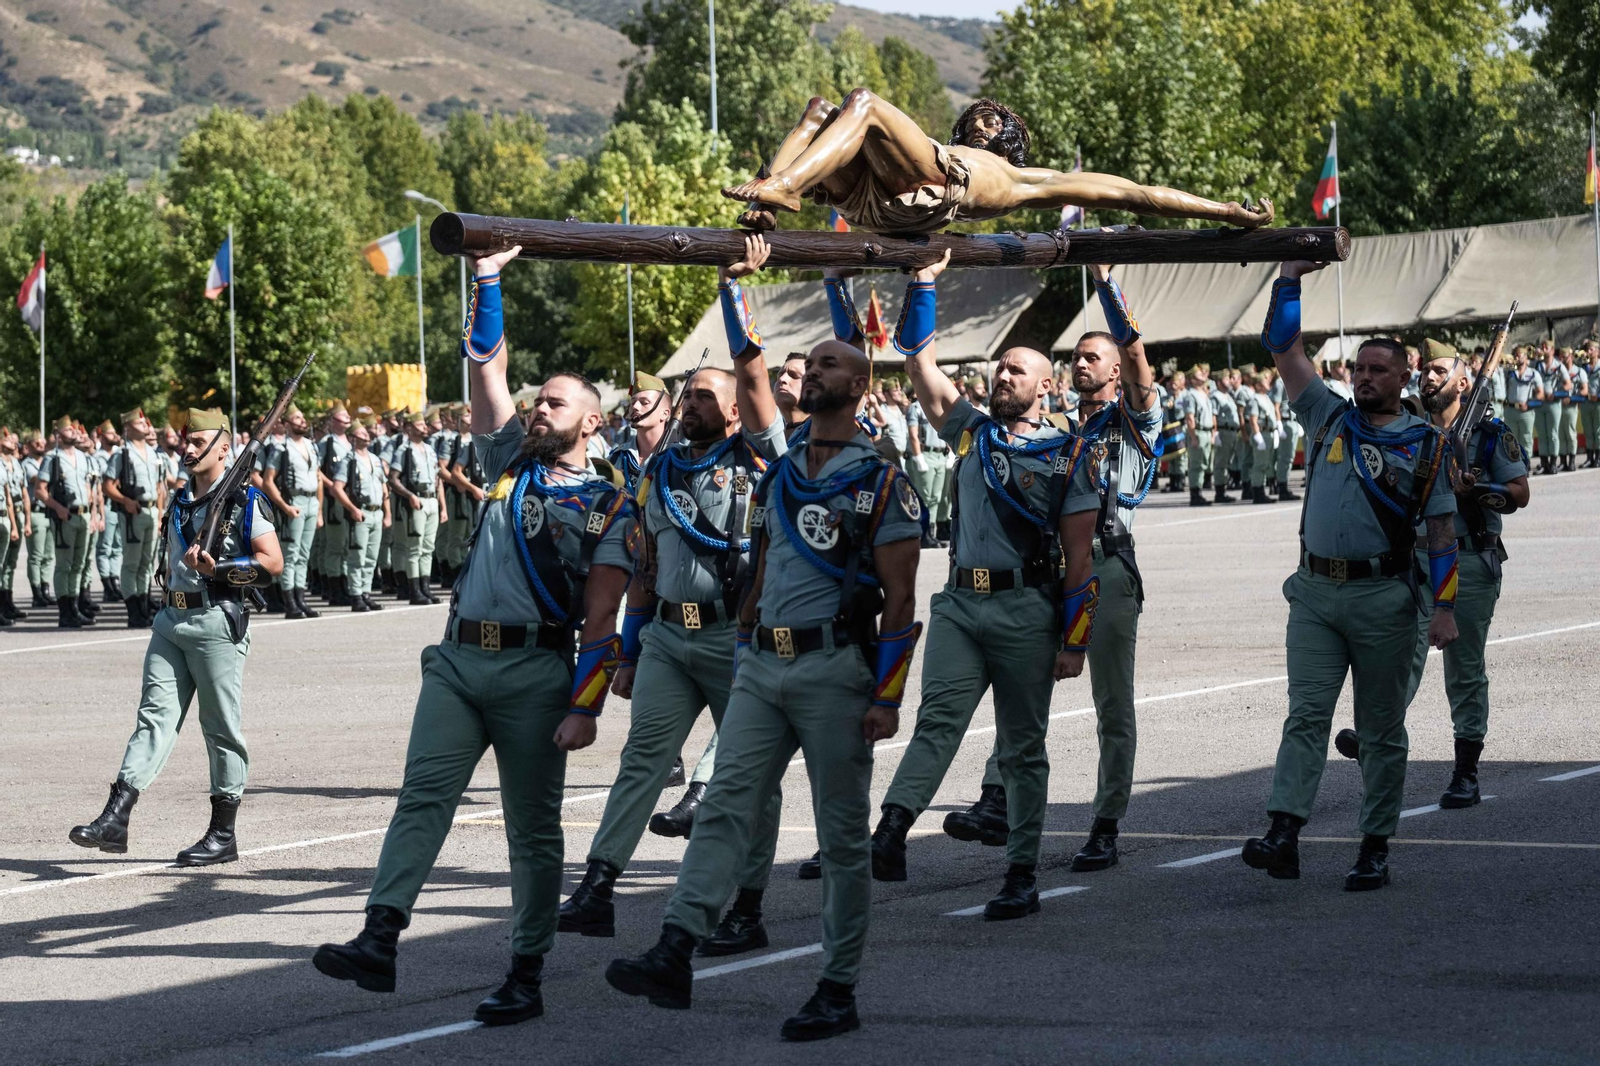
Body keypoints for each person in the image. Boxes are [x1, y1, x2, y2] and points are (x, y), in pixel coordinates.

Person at [313, 245, 635, 1028]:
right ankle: (380, 937)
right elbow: (485, 373)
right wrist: (487, 279)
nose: (539, 411)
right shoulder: (506, 461)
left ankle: (524, 972)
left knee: (531, 830)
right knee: (421, 798)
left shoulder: (607, 504)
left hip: (536, 671)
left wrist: (585, 707)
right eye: (539, 402)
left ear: (592, 421)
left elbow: (601, 620)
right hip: (459, 660)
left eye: (555, 404)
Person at [605, 334, 923, 1042]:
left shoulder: (879, 482)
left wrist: (886, 697)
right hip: (762, 668)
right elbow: (761, 568)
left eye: (829, 364)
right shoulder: (780, 475)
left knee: (842, 841)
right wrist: (747, 644)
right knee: (721, 808)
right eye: (808, 364)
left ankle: (837, 988)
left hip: (835, 670)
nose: (812, 372)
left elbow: (900, 600)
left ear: (861, 385)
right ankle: (677, 947)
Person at [562, 234, 789, 956]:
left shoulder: (758, 456)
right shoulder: (659, 471)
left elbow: (754, 378)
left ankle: (747, 906)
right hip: (667, 637)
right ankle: (598, 885)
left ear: (732, 411)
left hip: (735, 640)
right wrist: (628, 651)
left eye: (701, 396)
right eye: (685, 394)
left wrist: (734, 293)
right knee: (640, 762)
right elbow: (646, 567)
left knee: (748, 780)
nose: (688, 403)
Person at [862, 247, 1098, 920]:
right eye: (1000, 366)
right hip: (963, 601)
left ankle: (1021, 873)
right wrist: (925, 284)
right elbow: (920, 366)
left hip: (1029, 607)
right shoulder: (970, 432)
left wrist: (1074, 642)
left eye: (1017, 370)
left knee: (1022, 748)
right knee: (936, 721)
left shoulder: (1068, 453)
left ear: (1045, 389)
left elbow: (1080, 561)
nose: (1002, 375)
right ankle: (892, 829)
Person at [1240, 261, 1458, 892]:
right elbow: (1283, 348)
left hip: (1385, 597)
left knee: (1382, 729)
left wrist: (1443, 607)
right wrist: (1288, 278)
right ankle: (1284, 832)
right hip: (1313, 593)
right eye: (1358, 369)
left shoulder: (1424, 444)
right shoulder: (1329, 417)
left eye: (1377, 370)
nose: (1363, 378)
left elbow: (1442, 533)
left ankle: (1374, 844)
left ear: (1403, 378)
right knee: (1305, 714)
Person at [941, 263, 1163, 872]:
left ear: (1115, 370)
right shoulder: (1054, 429)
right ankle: (995, 799)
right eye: (1075, 357)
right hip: (1051, 568)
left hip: (1109, 570)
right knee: (1022, 691)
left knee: (1110, 703)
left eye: (1093, 356)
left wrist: (1107, 288)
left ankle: (1106, 823)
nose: (1080, 364)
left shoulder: (1137, 422)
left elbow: (1139, 355)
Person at [68, 408, 283, 864]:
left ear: (224, 448)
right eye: (185, 440)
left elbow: (272, 564)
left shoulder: (245, 501)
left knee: (220, 727)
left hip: (215, 624)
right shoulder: (182, 499)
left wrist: (222, 569)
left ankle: (223, 834)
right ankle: (115, 818)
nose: (186, 447)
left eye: (197, 440)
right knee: (153, 717)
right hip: (170, 621)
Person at [1334, 340, 1530, 808]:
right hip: (1414, 559)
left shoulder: (1487, 434)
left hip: (1467, 558)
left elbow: (1520, 492)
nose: (1429, 377)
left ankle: (1466, 771)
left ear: (1464, 381)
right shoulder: (1412, 432)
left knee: (1463, 670)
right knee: (1401, 657)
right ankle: (1376, 737)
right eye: (1424, 371)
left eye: (1440, 370)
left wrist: (1477, 488)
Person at [724, 93, 1273, 234]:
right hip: (872, 194)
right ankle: (774, 200)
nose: (983, 122)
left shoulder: (1031, 179)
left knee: (864, 102)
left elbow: (1135, 193)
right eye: (978, 118)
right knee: (824, 110)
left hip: (934, 190)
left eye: (994, 122)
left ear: (1010, 141)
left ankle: (784, 186)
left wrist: (1224, 210)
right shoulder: (929, 145)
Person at [104, 408, 167, 628]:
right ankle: (133, 611)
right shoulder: (122, 454)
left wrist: (160, 514)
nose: (145, 426)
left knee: (147, 562)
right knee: (132, 562)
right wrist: (125, 501)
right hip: (133, 512)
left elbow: (160, 488)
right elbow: (108, 486)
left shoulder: (153, 453)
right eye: (140, 423)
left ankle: (143, 604)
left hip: (151, 512)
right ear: (129, 428)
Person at [262, 404, 323, 621]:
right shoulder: (282, 448)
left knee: (304, 554)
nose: (302, 421)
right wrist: (284, 506)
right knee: (291, 554)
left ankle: (301, 599)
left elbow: (317, 478)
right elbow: (268, 481)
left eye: (302, 417)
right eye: (297, 418)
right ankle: (290, 602)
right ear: (286, 424)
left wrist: (319, 511)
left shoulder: (311, 445)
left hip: (311, 501)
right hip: (294, 501)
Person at [37, 417, 98, 628]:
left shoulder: (83, 457)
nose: (73, 432)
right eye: (68, 429)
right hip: (64, 516)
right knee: (65, 565)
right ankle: (65, 611)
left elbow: (89, 486)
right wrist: (57, 507)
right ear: (58, 434)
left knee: (79, 564)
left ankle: (75, 607)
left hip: (83, 515)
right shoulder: (52, 458)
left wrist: (93, 513)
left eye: (74, 429)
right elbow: (40, 490)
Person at [330, 415, 391, 612]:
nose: (367, 434)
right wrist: (352, 509)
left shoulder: (374, 459)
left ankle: (366, 593)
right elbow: (336, 488)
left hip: (376, 512)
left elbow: (384, 487)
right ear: (353, 437)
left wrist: (387, 513)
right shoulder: (349, 461)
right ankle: (356, 594)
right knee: (357, 556)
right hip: (361, 513)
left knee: (372, 556)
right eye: (362, 432)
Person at [390, 409, 448, 605]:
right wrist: (410, 496)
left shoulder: (430, 449)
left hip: (432, 499)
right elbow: (393, 479)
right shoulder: (403, 451)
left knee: (428, 547)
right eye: (420, 425)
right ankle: (414, 591)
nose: (425, 427)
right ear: (409, 428)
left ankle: (425, 588)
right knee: (414, 548)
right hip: (417, 500)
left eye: (424, 424)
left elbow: (438, 479)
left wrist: (443, 507)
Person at [315, 402, 355, 604]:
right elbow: (316, 469)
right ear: (333, 420)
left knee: (347, 546)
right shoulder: (326, 444)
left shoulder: (351, 443)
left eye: (348, 416)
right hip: (334, 500)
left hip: (349, 500)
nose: (348, 419)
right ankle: (334, 590)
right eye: (343, 416)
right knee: (335, 547)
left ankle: (345, 585)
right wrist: (332, 486)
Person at [904, 383, 953, 545]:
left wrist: (950, 452)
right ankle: (923, 533)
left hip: (940, 454)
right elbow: (913, 435)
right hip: (926, 455)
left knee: (937, 497)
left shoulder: (935, 406)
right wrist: (918, 457)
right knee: (925, 496)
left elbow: (946, 429)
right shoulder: (915, 408)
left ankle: (931, 532)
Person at [21, 430, 56, 609]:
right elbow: (37, 479)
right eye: (37, 443)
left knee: (49, 555)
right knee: (36, 555)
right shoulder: (27, 464)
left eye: (43, 442)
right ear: (28, 446)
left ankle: (45, 589)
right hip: (35, 512)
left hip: (49, 511)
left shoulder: (46, 462)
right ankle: (36, 592)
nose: (41, 445)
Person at [92, 421, 125, 606]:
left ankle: (115, 580)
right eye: (110, 433)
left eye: (115, 433)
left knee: (117, 546)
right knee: (105, 547)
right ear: (102, 435)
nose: (114, 436)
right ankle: (107, 585)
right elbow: (98, 485)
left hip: (119, 505)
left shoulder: (120, 453)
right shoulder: (98, 457)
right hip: (107, 504)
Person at [0, 429, 31, 624]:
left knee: (9, 563)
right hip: (6, 516)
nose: (14, 442)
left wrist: (21, 522)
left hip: (13, 515)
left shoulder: (16, 465)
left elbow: (20, 493)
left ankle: (7, 601)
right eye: (8, 439)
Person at [1178, 363, 1215, 507]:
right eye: (1200, 374)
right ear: (1192, 379)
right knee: (1196, 465)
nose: (1204, 376)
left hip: (1206, 431)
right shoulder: (1190, 395)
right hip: (1198, 432)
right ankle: (1195, 495)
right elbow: (1190, 417)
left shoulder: (1204, 394)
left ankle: (1199, 492)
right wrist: (1193, 437)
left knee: (1204, 464)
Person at [1247, 369, 1282, 504]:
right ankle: (1257, 492)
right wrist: (1257, 436)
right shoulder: (1255, 399)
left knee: (1265, 464)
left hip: (1270, 434)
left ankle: (1261, 491)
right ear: (1257, 385)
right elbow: (1253, 420)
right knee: (1259, 464)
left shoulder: (1266, 398)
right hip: (1262, 434)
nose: (1268, 383)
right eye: (1264, 381)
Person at [1501, 346, 1540, 463]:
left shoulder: (1533, 373)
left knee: (1526, 438)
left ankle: (1526, 462)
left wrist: (1529, 404)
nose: (1517, 357)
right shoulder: (1509, 372)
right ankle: (1515, 464)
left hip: (1525, 411)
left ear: (1525, 357)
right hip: (1510, 409)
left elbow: (1540, 393)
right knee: (1511, 439)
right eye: (1516, 355)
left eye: (1519, 355)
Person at [1210, 370, 1240, 503]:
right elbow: (1213, 416)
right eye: (1227, 379)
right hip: (1223, 431)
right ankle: (1219, 492)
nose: (1230, 381)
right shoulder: (1216, 396)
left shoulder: (1228, 395)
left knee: (1227, 463)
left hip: (1231, 432)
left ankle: (1223, 489)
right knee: (1220, 463)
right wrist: (1215, 433)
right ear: (1219, 381)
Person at [774, 352, 809, 435]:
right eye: (779, 375)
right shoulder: (771, 436)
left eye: (794, 376)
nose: (782, 379)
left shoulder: (827, 431)